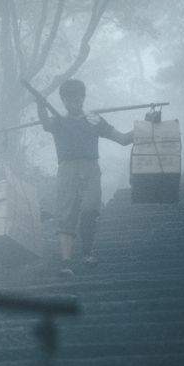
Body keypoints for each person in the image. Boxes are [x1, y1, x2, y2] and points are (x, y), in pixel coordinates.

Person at [36, 79, 133, 277]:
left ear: (83, 98)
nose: (73, 101)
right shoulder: (58, 121)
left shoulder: (94, 120)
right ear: (63, 100)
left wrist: (145, 126)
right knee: (65, 214)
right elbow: (45, 123)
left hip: (90, 169)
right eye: (68, 98)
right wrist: (40, 104)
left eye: (77, 97)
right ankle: (66, 262)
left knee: (90, 208)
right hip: (67, 170)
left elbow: (122, 139)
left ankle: (87, 253)